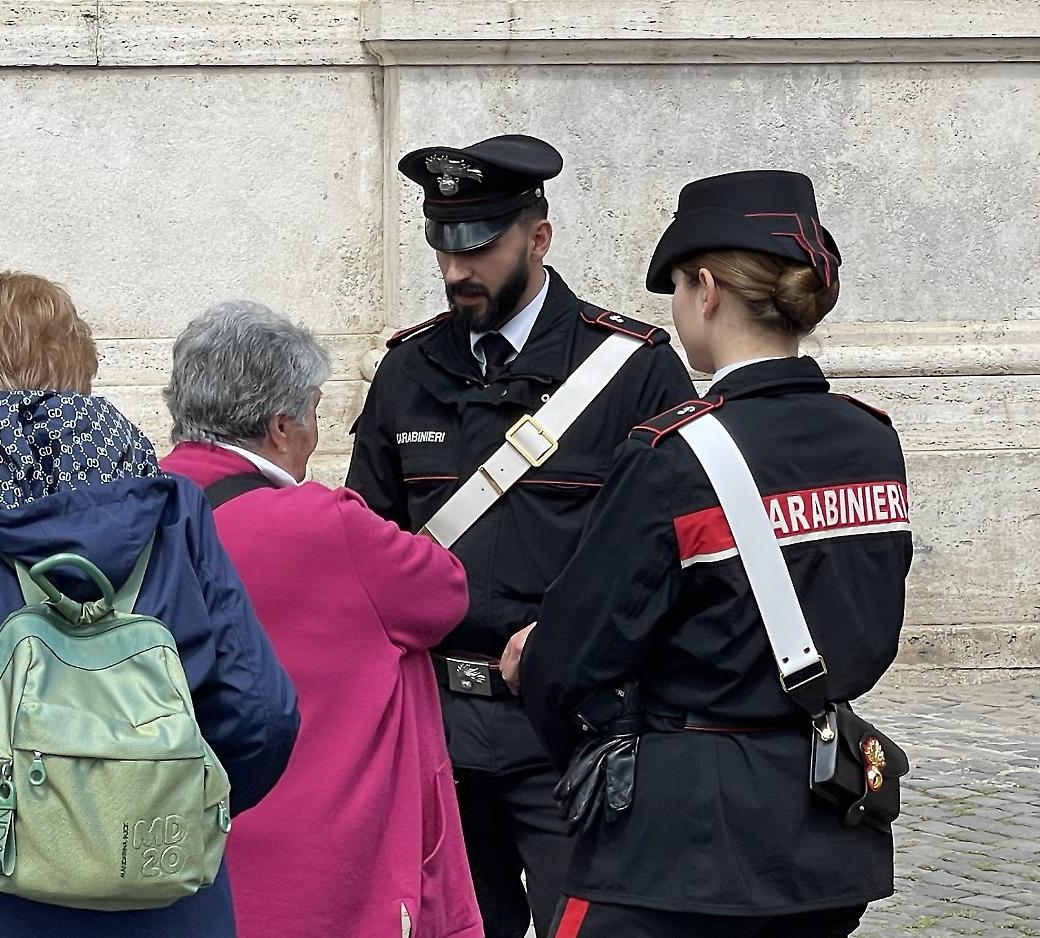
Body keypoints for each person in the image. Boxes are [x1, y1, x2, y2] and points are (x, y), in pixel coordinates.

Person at [0, 269, 299, 938]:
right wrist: (140, 807)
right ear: (82, 385)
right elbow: (264, 716)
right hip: (154, 909)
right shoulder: (172, 509)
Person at [507, 171, 912, 937]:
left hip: (681, 838)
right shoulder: (872, 437)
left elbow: (573, 656)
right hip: (824, 815)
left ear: (704, 288)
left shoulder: (673, 455)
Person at [346, 134, 696, 938]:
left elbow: (676, 560)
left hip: (569, 730)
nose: (455, 271)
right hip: (435, 729)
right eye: (442, 244)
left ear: (537, 237)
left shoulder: (631, 370)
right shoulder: (410, 370)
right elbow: (364, 543)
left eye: (479, 248)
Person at [160, 301, 483, 938]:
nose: (314, 431)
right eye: (313, 411)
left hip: (169, 860)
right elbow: (444, 592)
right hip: (321, 879)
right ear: (281, 426)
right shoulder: (326, 526)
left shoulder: (130, 508)